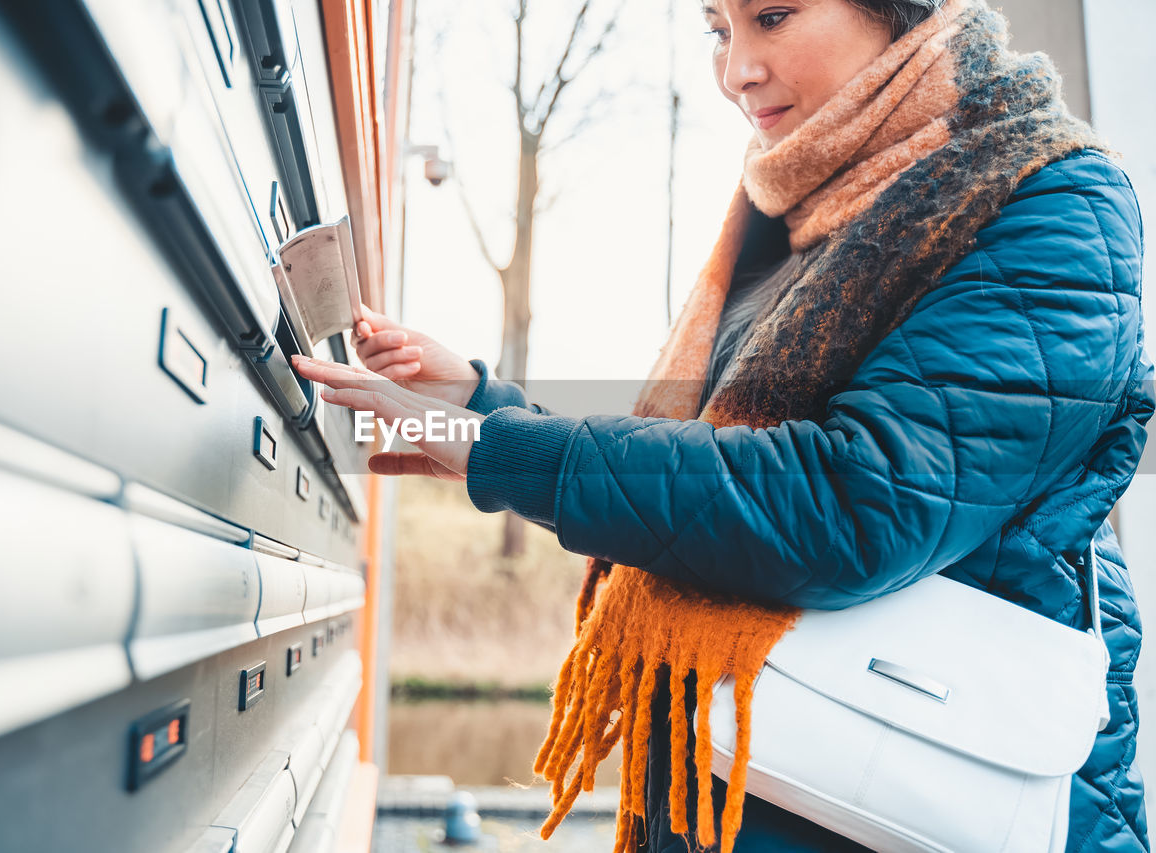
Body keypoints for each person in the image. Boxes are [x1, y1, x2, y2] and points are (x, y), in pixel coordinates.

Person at [291, 0, 1154, 848]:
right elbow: (719, 479)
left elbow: (853, 503)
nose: (736, 69)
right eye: (717, 29)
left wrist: (506, 453)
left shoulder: (1052, 200)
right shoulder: (800, 217)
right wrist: (488, 410)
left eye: (771, 16)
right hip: (755, 782)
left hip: (907, 802)